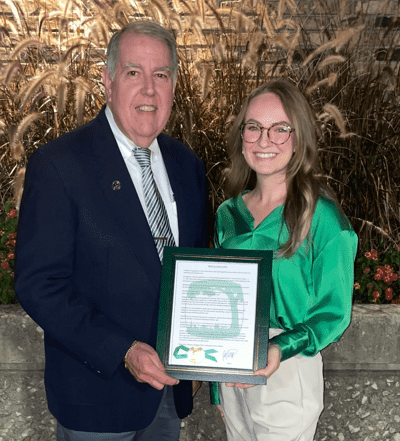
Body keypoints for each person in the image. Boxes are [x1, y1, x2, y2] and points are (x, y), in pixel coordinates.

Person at [15, 20, 208, 440]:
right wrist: (121, 350)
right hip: (95, 399)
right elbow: (38, 284)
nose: (149, 89)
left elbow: (194, 272)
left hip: (170, 394)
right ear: (108, 80)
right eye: (134, 72)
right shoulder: (59, 165)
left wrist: (199, 362)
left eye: (161, 75)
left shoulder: (186, 166)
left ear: (174, 86)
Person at [211, 79, 358, 440]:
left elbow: (334, 312)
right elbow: (216, 298)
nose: (264, 140)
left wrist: (281, 346)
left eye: (280, 129)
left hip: (286, 368)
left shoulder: (322, 219)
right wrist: (216, 383)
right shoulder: (228, 214)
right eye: (254, 127)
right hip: (233, 366)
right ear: (241, 136)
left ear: (298, 138)